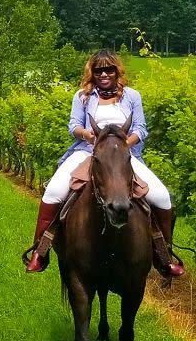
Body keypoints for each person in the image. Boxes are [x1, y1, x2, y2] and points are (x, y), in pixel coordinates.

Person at [25, 49, 184, 277]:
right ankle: (40, 252)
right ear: (93, 72)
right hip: (88, 151)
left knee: (161, 196)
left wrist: (123, 145)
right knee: (53, 192)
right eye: (99, 70)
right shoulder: (82, 96)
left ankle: (163, 256)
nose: (104, 74)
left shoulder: (132, 96)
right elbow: (73, 126)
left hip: (123, 154)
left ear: (117, 70)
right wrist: (89, 136)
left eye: (109, 69)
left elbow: (141, 128)